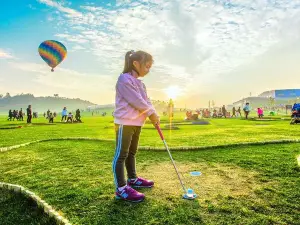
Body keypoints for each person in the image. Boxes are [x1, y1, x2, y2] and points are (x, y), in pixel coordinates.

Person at [113, 50, 159, 203]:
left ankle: (132, 179)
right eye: (146, 66)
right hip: (124, 122)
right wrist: (150, 113)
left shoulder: (140, 83)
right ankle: (121, 188)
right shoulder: (124, 79)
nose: (148, 70)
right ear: (135, 63)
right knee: (121, 155)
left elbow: (147, 101)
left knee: (132, 152)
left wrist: (154, 114)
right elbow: (136, 100)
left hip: (137, 123)